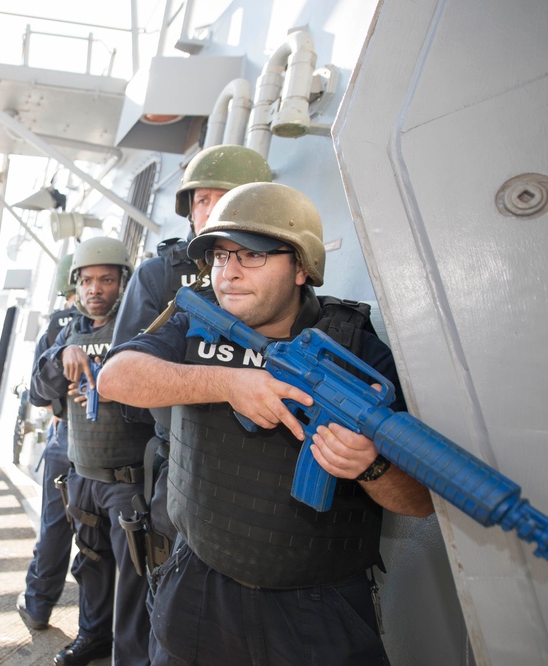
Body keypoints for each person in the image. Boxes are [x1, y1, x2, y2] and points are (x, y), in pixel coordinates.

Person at [98, 182, 434, 665]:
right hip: (196, 583)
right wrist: (231, 384)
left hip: (316, 610)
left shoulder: (355, 348)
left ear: (301, 266)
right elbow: (116, 377)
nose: (228, 274)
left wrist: (370, 467)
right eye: (219, 257)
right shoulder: (196, 322)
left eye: (251, 256)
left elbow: (420, 501)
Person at [109, 145, 272, 590]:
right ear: (190, 212)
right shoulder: (161, 276)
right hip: (174, 460)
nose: (215, 209)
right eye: (203, 200)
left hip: (250, 474)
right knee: (156, 585)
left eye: (230, 196)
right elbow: (122, 380)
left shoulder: (276, 277)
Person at [32, 237, 154, 666]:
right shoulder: (69, 330)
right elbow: (37, 391)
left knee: (136, 579)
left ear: (123, 280)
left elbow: (164, 395)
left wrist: (115, 390)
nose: (95, 289)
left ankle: (132, 657)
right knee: (92, 566)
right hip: (82, 475)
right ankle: (93, 637)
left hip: (127, 480)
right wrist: (61, 354)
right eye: (86, 281)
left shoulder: (141, 328)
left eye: (106, 279)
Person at [16, 254, 79, 630]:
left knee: (55, 525)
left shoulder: (56, 327)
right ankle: (99, 627)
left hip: (64, 433)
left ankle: (38, 605)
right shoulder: (124, 320)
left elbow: (38, 396)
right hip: (115, 445)